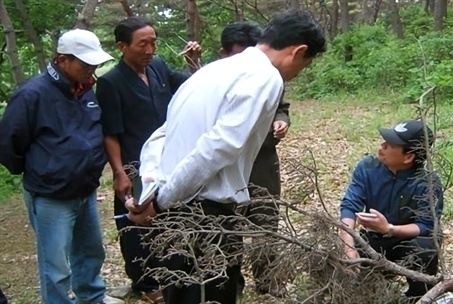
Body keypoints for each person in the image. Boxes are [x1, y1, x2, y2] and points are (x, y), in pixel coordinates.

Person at [125, 9, 326, 304]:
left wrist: (151, 192)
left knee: (181, 294)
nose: (297, 73)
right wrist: (160, 201)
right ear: (299, 51)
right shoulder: (266, 77)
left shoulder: (211, 72)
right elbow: (219, 146)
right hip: (206, 216)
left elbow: (160, 137)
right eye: (304, 66)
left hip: (177, 207)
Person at [0, 29, 122, 304]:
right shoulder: (32, 94)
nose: (90, 69)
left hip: (85, 191)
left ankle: (91, 298)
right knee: (55, 264)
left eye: (94, 64)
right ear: (62, 60)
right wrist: (42, 169)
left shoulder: (86, 92)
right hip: (51, 195)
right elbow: (9, 143)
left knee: (90, 253)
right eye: (84, 63)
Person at [95, 16, 200, 301]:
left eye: (153, 42)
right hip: (133, 164)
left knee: (166, 216)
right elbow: (111, 133)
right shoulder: (110, 83)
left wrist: (193, 62)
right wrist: (119, 173)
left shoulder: (159, 68)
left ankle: (173, 275)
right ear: (122, 47)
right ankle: (145, 284)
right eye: (143, 44)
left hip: (166, 159)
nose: (150, 49)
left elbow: (192, 87)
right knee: (134, 226)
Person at [219, 21, 292, 297]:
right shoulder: (214, 81)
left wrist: (282, 122)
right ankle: (231, 286)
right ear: (224, 54)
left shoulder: (270, 77)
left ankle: (269, 283)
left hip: (263, 163)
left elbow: (281, 109)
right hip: (229, 166)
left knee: (266, 224)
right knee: (230, 229)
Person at [339, 119, 443, 302]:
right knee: (346, 273)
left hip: (409, 241)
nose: (382, 146)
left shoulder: (428, 182)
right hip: (373, 241)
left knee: (427, 247)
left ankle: (419, 297)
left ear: (408, 157)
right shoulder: (368, 168)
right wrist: (348, 247)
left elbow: (427, 225)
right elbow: (350, 206)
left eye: (390, 144)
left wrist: (389, 229)